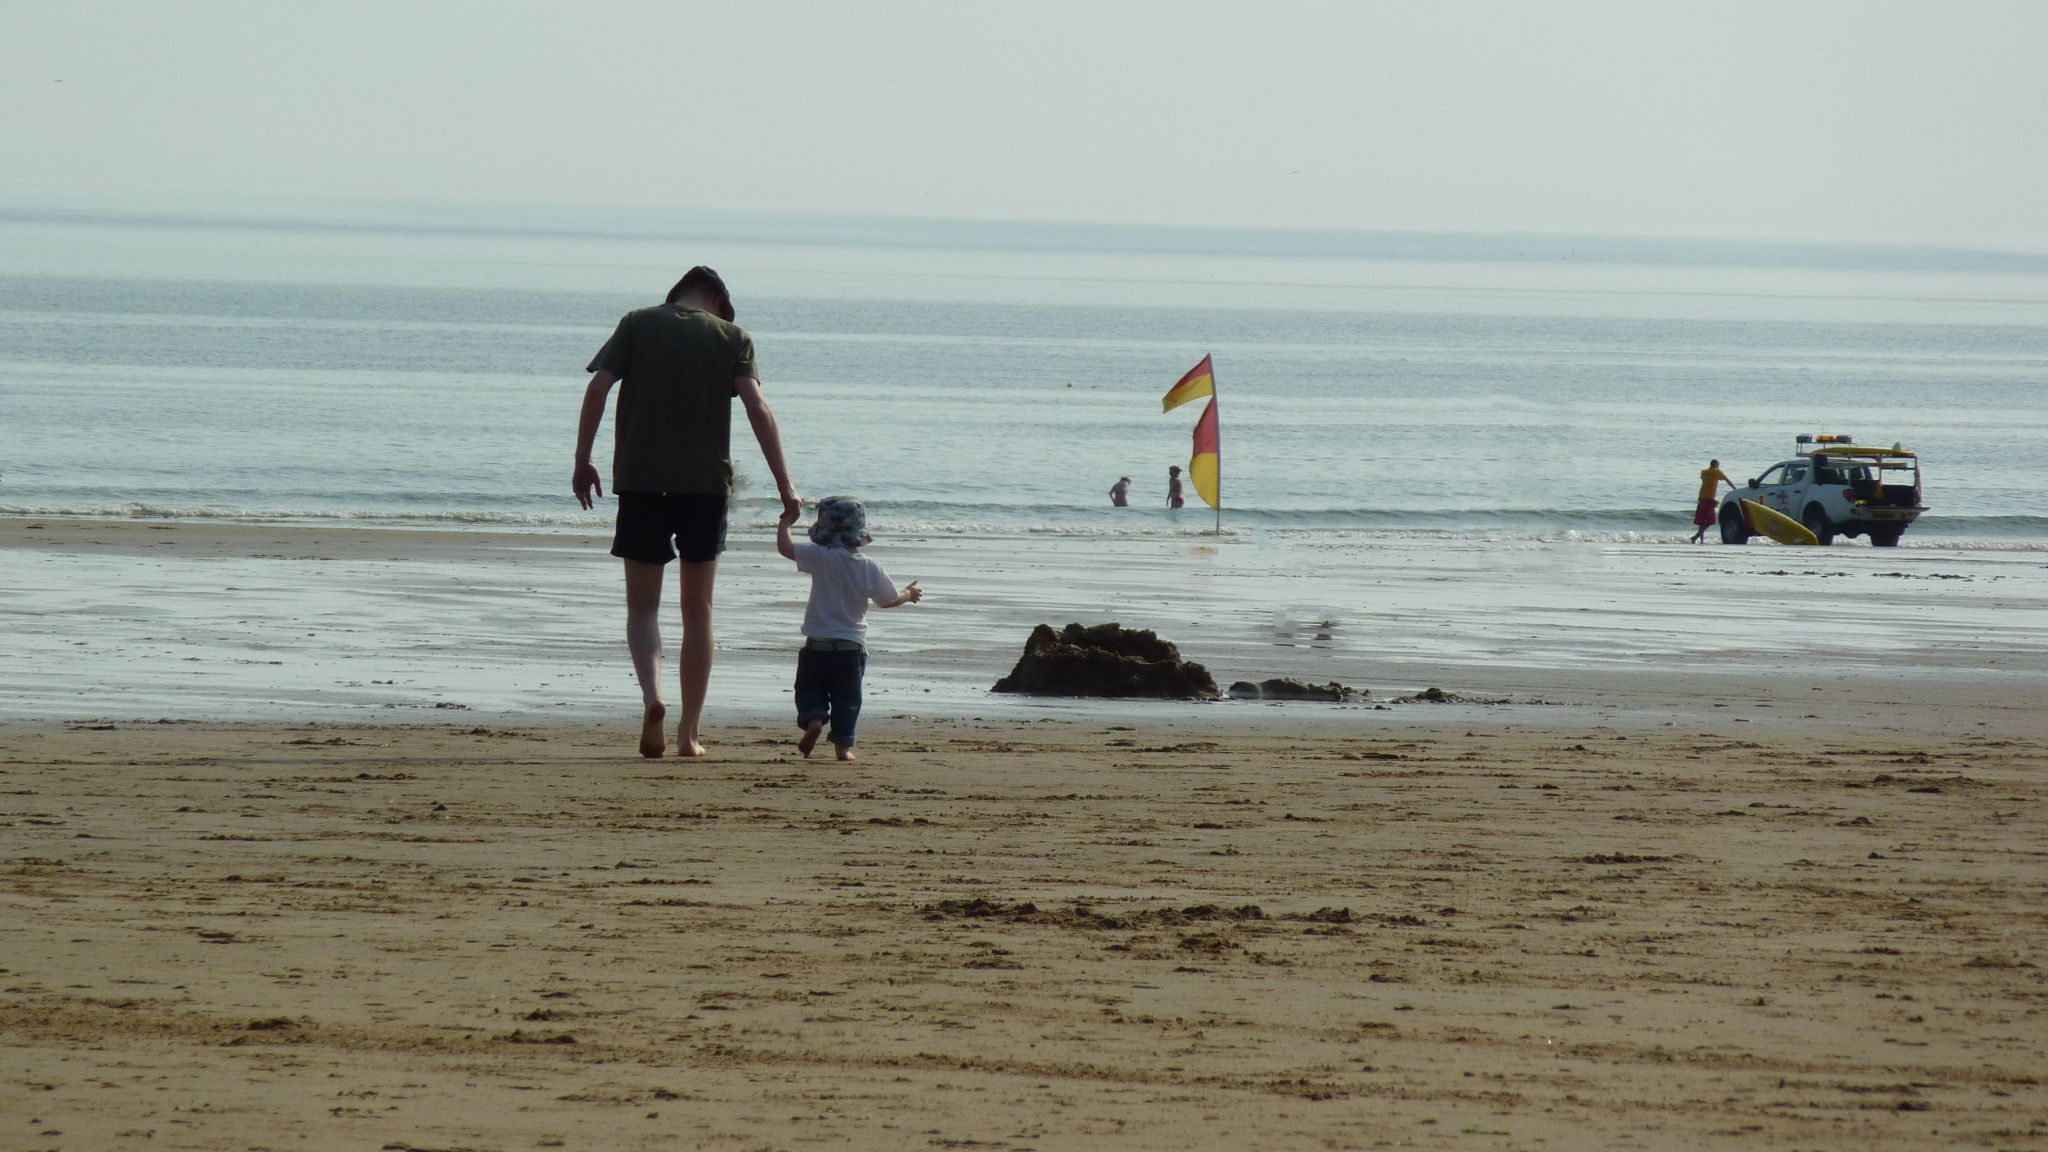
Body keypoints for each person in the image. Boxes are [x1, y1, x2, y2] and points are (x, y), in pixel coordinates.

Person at [573, 266, 802, 759]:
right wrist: (786, 486)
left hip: (641, 482)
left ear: (676, 293)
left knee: (642, 608)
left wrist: (583, 461)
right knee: (698, 611)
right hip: (705, 488)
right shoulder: (733, 337)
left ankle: (652, 698)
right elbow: (758, 408)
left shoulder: (637, 323)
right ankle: (688, 733)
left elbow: (597, 389)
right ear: (717, 300)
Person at [776, 496, 922, 761]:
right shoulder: (870, 566)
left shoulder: (820, 557)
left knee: (809, 689)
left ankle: (814, 720)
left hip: (816, 646)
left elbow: (786, 548)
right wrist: (908, 594)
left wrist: (785, 523)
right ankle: (843, 748)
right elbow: (888, 600)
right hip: (850, 649)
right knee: (848, 700)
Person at [1692, 458, 1734, 543]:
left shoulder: (1704, 472)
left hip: (1701, 497)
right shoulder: (1717, 471)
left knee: (1702, 521)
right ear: (1716, 465)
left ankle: (1700, 540)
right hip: (1710, 498)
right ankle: (1696, 537)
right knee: (1710, 521)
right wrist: (1735, 489)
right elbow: (1728, 481)